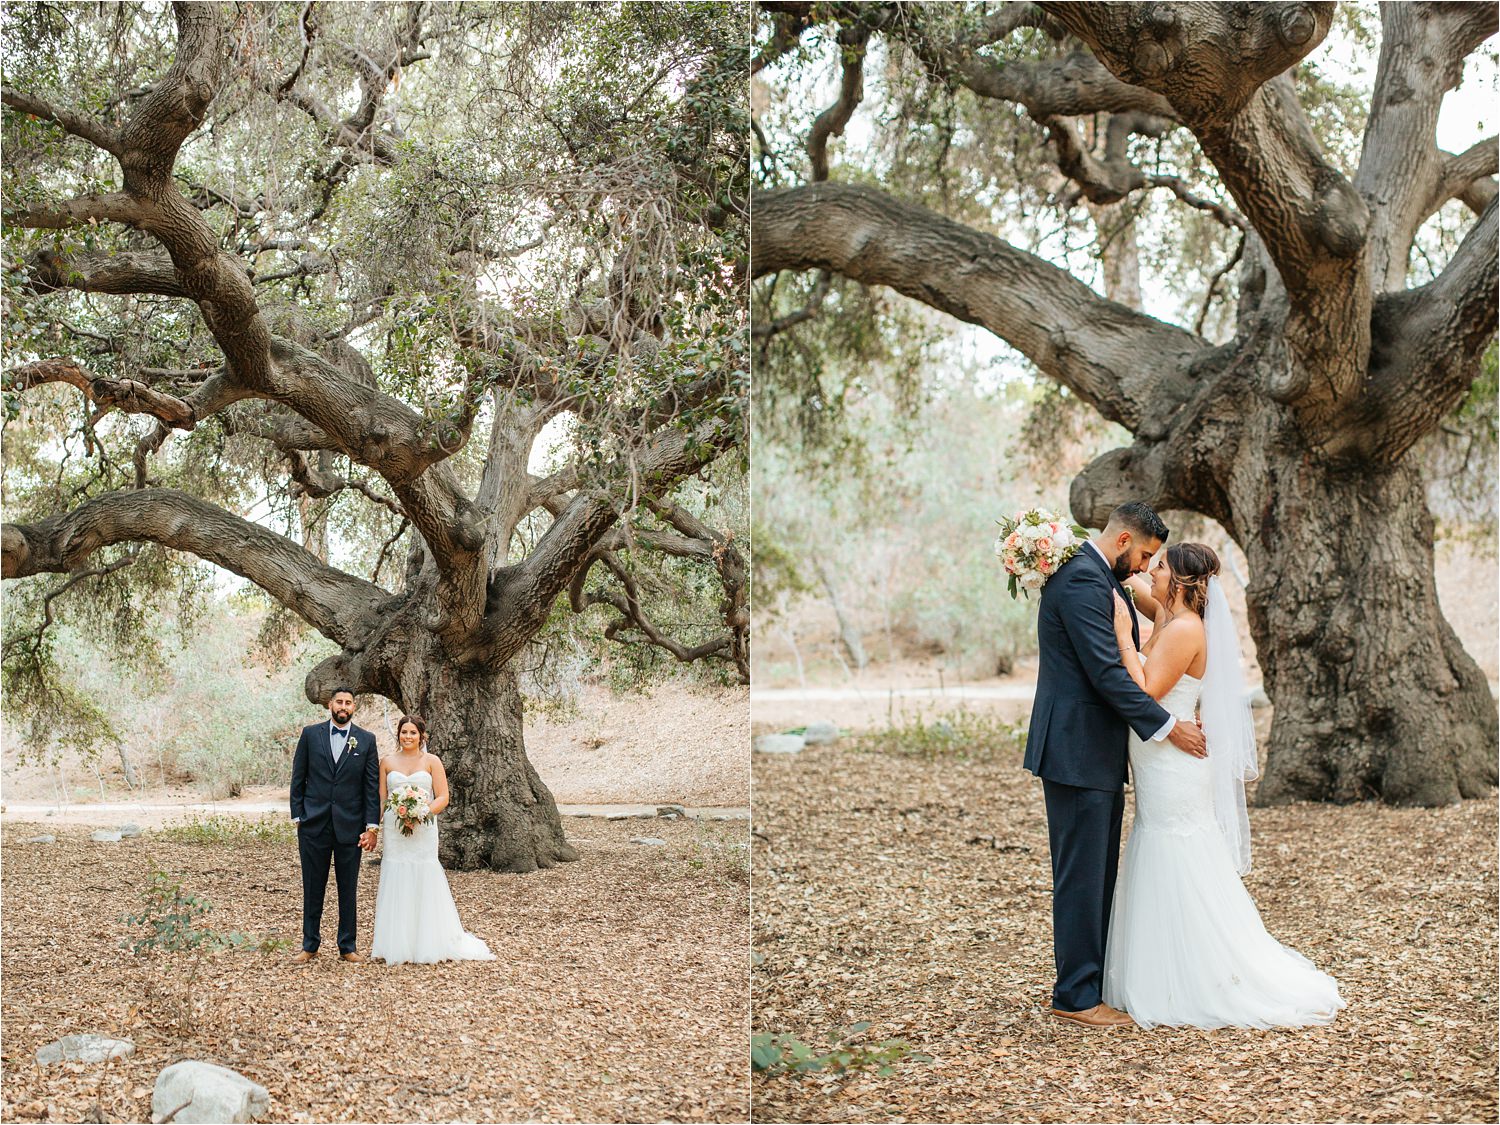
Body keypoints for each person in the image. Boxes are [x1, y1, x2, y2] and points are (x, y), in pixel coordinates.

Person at [1102, 543, 1345, 1027]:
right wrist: (1095, 559)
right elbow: (1138, 587)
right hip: (1162, 758)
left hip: (1174, 761)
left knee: (1173, 849)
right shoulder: (1175, 617)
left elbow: (1145, 690)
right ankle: (1167, 963)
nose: (1153, 570)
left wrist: (1124, 636)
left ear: (1185, 584)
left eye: (1162, 567)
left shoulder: (1184, 630)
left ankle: (1193, 975)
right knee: (1162, 845)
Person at [1022, 501, 1208, 1028]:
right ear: (1124, 541)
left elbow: (1166, 621)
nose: (1148, 568)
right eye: (1147, 555)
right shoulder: (1085, 580)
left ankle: (1089, 983)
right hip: (1077, 748)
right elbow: (1107, 673)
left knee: (1093, 870)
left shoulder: (1098, 573)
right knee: (1082, 875)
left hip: (1089, 749)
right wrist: (1172, 728)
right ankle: (1076, 998)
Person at [370, 715, 495, 965]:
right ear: (398, 734)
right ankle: (397, 943)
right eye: (404, 732)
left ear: (421, 736)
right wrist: (372, 828)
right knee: (396, 873)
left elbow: (443, 797)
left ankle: (427, 941)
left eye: (413, 733)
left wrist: (422, 811)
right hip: (395, 831)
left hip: (423, 829)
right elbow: (381, 800)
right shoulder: (386, 762)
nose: (408, 737)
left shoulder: (432, 761)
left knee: (424, 874)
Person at [289, 688, 380, 963]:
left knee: (348, 888)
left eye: (348, 703)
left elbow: (371, 786)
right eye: (339, 702)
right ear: (330, 704)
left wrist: (371, 826)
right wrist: (298, 816)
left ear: (354, 707)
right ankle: (310, 944)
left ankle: (347, 946)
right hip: (313, 825)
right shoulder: (310, 734)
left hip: (350, 827)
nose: (343, 706)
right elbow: (298, 776)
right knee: (312, 886)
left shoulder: (366, 740)